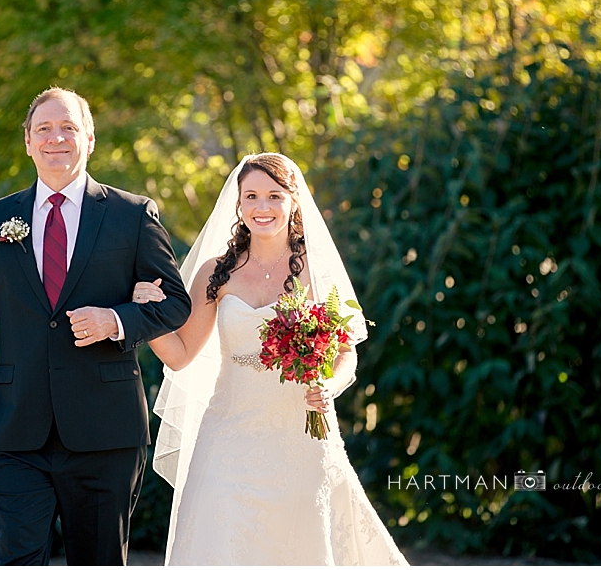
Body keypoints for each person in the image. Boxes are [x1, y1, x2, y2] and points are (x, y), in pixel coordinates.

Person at [0, 87, 191, 565]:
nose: (57, 138)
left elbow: (176, 304)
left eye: (69, 127)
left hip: (106, 433)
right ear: (28, 142)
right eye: (44, 129)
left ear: (89, 139)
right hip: (16, 434)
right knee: (17, 557)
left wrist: (116, 319)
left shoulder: (132, 214)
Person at [134, 153, 408, 565]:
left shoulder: (316, 270)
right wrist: (149, 314)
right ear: (239, 204)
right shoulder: (216, 272)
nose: (262, 207)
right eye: (252, 196)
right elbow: (181, 354)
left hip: (301, 433)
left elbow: (346, 351)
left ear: (293, 201)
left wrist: (331, 385)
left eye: (274, 196)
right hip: (227, 434)